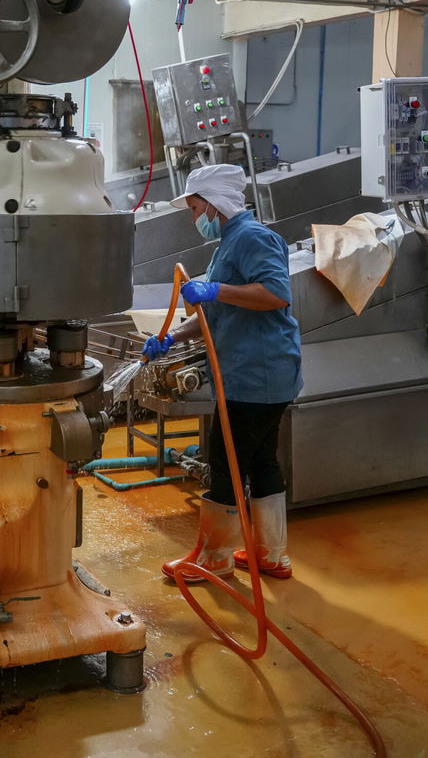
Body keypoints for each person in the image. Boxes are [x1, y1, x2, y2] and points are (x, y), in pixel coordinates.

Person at [143, 163, 302, 581]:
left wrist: (214, 289)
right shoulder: (229, 243)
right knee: (261, 460)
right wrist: (172, 338)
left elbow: (273, 294)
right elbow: (218, 311)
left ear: (213, 205)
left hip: (257, 375)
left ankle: (214, 559)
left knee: (227, 462)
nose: (194, 218)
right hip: (257, 373)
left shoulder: (251, 238)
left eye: (195, 208)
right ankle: (271, 554)